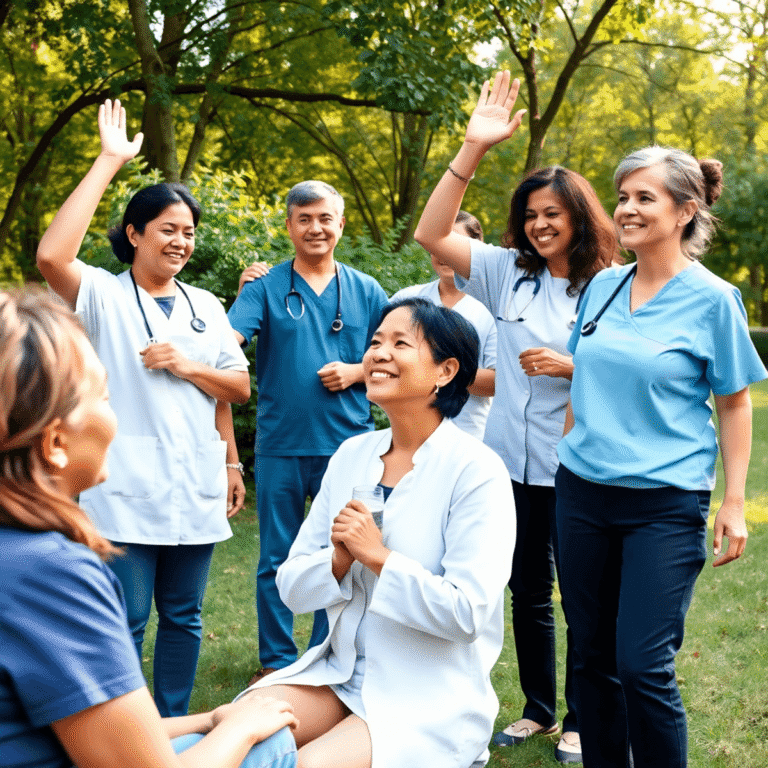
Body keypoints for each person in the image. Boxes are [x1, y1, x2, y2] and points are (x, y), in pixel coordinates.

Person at [413, 71, 620, 764]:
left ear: (580, 217)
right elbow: (430, 231)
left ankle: (582, 718)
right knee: (525, 589)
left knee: (583, 598)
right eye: (530, 213)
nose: (539, 223)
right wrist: (471, 149)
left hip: (582, 464)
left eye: (552, 214)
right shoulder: (507, 272)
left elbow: (632, 372)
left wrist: (574, 368)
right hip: (508, 463)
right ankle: (537, 707)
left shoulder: (614, 285)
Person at [0, 288, 298, 768]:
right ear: (56, 442)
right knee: (270, 741)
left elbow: (78, 725)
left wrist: (206, 720)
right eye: (105, 395)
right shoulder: (50, 573)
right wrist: (243, 727)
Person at [225, 297, 514, 768]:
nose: (378, 353)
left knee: (298, 765)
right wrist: (339, 561)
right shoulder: (353, 455)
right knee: (237, 727)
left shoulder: (477, 470)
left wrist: (377, 557)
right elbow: (293, 586)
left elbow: (468, 614)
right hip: (342, 676)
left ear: (445, 371)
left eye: (400, 343)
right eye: (376, 341)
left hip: (426, 698)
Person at [36, 99, 250, 717]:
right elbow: (52, 256)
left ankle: (172, 720)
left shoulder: (206, 304)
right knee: (124, 617)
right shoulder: (102, 294)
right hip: (123, 484)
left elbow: (235, 389)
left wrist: (229, 458)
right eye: (167, 229)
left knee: (185, 616)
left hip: (197, 479)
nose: (181, 241)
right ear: (134, 234)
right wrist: (109, 160)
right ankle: (119, 725)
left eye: (188, 231)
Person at [556, 146, 767, 767]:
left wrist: (733, 502)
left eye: (644, 197)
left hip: (663, 505)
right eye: (622, 196)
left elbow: (734, 404)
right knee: (590, 657)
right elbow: (582, 382)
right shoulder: (601, 286)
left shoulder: (713, 300)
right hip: (582, 495)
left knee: (640, 664)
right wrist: (566, 459)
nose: (625, 208)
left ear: (685, 211)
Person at [227, 181, 388, 684]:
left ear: (341, 224)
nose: (315, 228)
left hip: (349, 446)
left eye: (324, 218)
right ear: (290, 226)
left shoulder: (367, 290)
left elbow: (393, 355)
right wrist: (236, 300)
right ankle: (275, 658)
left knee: (338, 554)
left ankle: (327, 653)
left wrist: (357, 372)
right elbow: (228, 342)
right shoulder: (265, 287)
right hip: (281, 444)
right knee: (276, 554)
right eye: (304, 219)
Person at [390, 211, 496, 439]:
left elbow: (498, 382)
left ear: (478, 247)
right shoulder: (406, 300)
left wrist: (433, 368)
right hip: (407, 435)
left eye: (455, 243)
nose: (445, 253)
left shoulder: (494, 306)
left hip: (468, 438)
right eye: (440, 243)